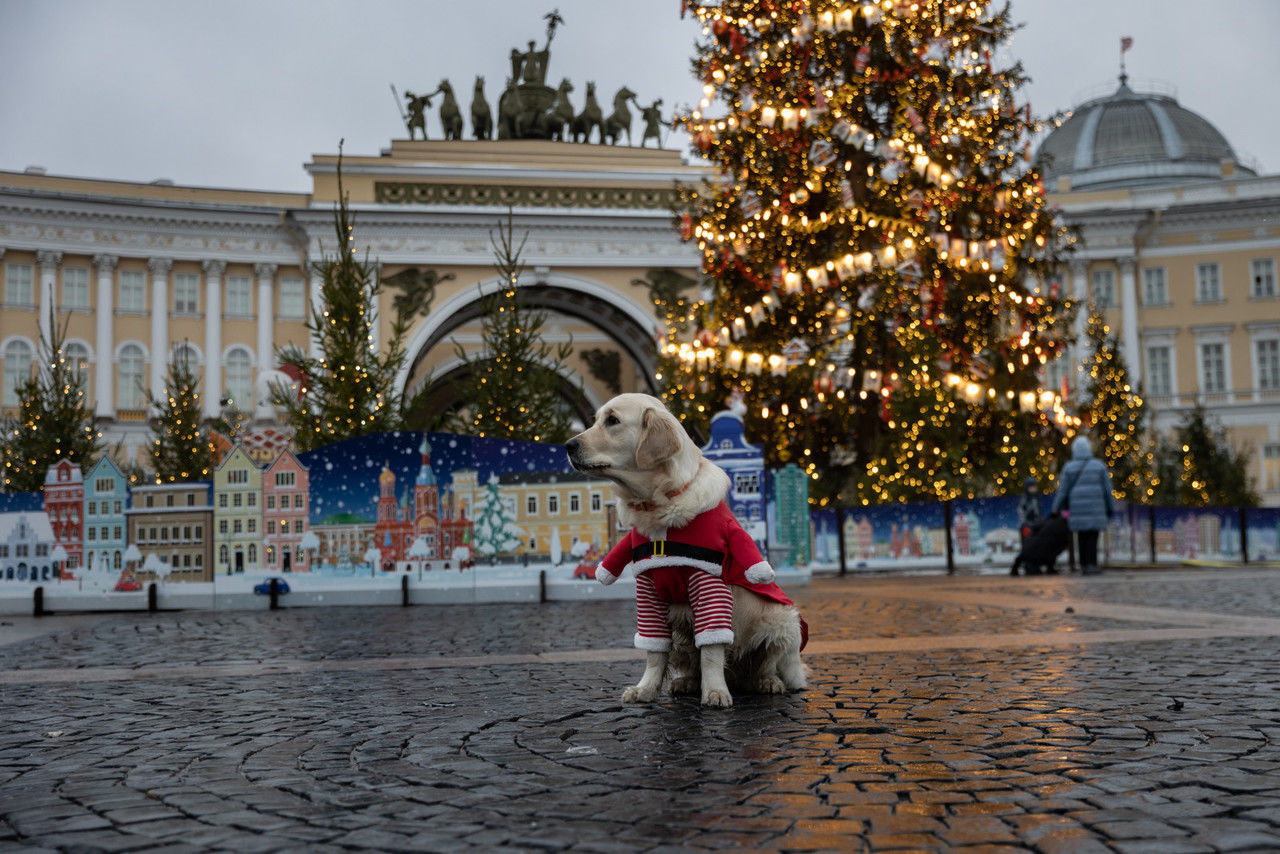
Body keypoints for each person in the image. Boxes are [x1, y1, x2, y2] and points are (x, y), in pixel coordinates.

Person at [1050, 436, 1115, 575]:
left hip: (1078, 510)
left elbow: (1063, 490)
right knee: (1093, 537)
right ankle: (1093, 564)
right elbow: (1107, 490)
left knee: (1082, 537)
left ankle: (1084, 565)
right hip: (1096, 509)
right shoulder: (1099, 466)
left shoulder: (1069, 467)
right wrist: (1111, 507)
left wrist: (1056, 507)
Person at [1011, 477, 1044, 575]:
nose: (1034, 489)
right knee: (1028, 547)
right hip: (1027, 526)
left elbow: (1039, 512)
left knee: (1037, 546)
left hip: (1036, 525)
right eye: (1031, 487)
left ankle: (1036, 565)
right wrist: (1024, 523)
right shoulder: (1025, 498)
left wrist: (1040, 522)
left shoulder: (1036, 498)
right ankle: (1028, 566)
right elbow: (1021, 511)